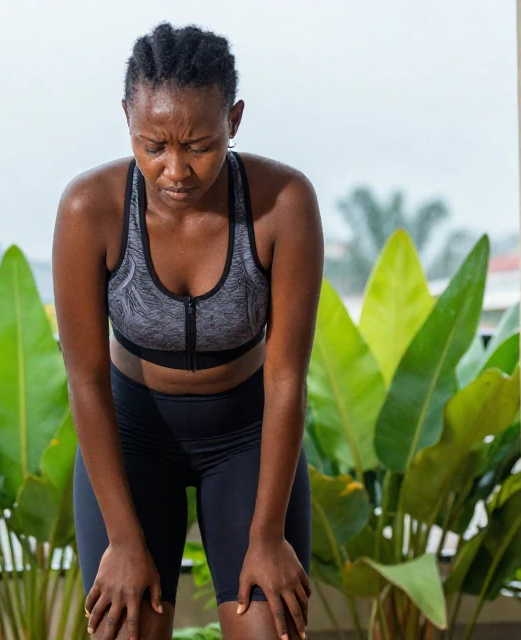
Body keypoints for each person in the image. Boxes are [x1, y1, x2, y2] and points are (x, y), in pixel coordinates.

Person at [51, 22, 323, 640]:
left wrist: (266, 536)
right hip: (133, 436)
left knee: (270, 628)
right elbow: (87, 379)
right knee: (126, 629)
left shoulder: (284, 203)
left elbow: (286, 378)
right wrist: (122, 541)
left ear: (235, 118)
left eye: (200, 145)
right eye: (154, 145)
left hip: (247, 436)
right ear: (127, 118)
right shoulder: (88, 209)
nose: (176, 169)